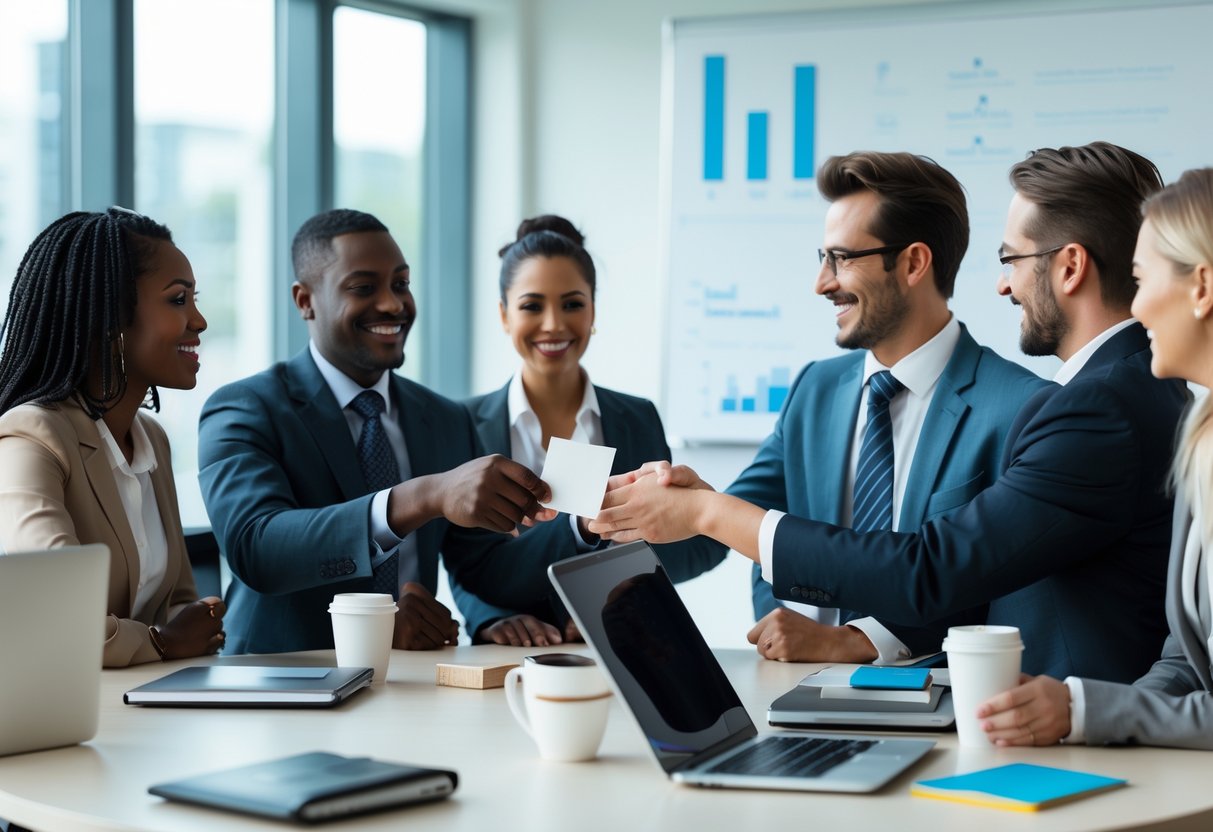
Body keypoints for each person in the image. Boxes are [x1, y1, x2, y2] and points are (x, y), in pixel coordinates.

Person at [592, 141, 1188, 683]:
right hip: (808, 689)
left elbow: (936, 571)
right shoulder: (816, 390)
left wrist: (710, 512)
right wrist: (616, 515)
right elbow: (749, 528)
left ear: (1069, 266)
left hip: (1046, 725)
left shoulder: (1070, 407)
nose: (1004, 286)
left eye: (1011, 260)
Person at [200, 209, 596, 655]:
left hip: (408, 680)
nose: (392, 304)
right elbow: (258, 548)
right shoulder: (246, 407)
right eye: (364, 288)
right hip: (278, 682)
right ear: (304, 300)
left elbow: (487, 569)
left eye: (401, 284)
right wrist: (424, 497)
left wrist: (584, 525)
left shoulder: (444, 418)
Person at [977, 168, 1213, 749]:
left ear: (1201, 287)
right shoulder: (1200, 437)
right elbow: (1187, 661)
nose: (1137, 305)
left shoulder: (1121, 406)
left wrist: (1088, 710)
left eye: (1142, 278)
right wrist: (1086, 712)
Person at [456, 215, 723, 646]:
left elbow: (674, 547)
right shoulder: (464, 422)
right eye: (531, 305)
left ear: (593, 311)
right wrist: (490, 617)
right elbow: (464, 557)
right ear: (504, 315)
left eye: (572, 304)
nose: (553, 324)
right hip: (506, 654)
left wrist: (626, 596)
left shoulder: (637, 418)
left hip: (614, 648)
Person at [0, 208, 225, 667]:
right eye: (178, 300)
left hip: (150, 708)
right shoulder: (30, 437)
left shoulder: (152, 440)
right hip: (57, 718)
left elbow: (181, 601)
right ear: (110, 316)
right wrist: (162, 642)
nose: (199, 321)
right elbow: (60, 616)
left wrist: (196, 623)